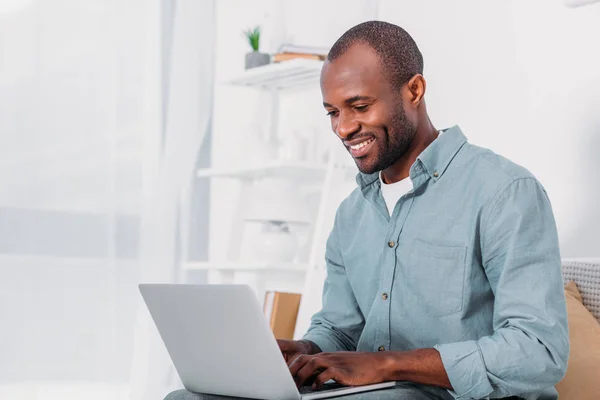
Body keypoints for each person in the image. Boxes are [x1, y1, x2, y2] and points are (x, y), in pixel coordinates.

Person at [166, 20, 569, 400]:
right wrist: (304, 351)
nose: (342, 128)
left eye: (359, 106)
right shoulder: (352, 214)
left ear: (414, 91)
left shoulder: (504, 191)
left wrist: (386, 364)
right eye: (333, 112)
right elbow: (341, 329)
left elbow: (538, 350)